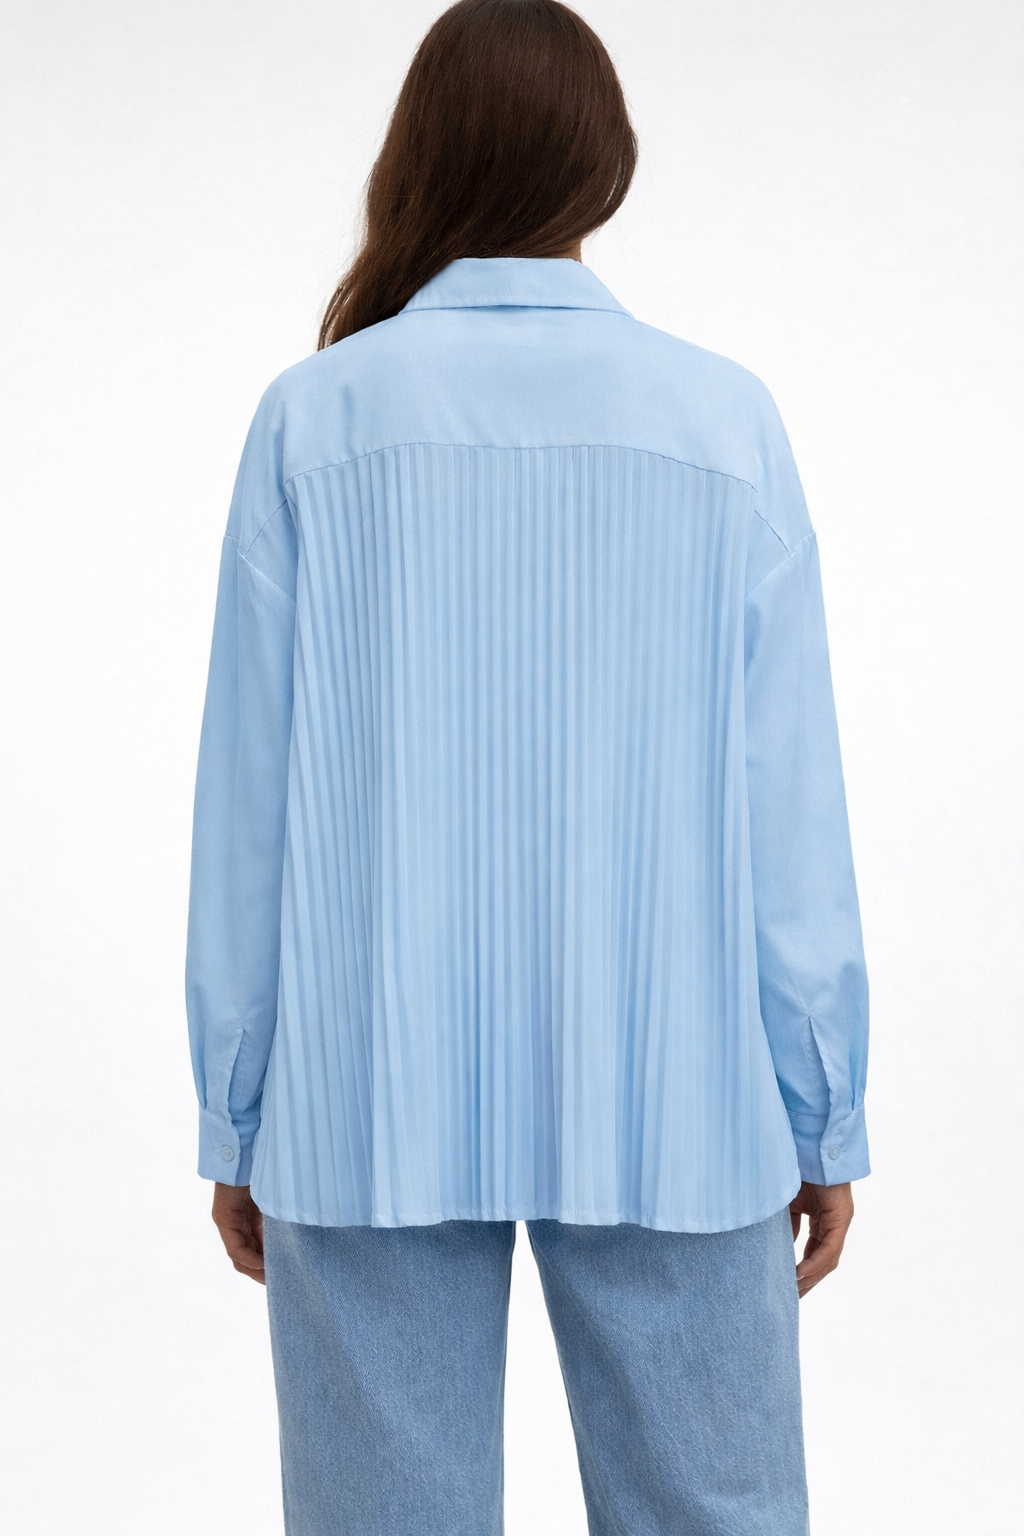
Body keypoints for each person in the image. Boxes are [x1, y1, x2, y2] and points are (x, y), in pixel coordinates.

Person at [184, 2, 870, 1532]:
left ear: (419, 155)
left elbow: (246, 814)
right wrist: (821, 1108)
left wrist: (240, 1108)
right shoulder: (723, 424)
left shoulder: (314, 425)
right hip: (676, 1087)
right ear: (601, 165)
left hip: (365, 1083)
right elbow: (790, 806)